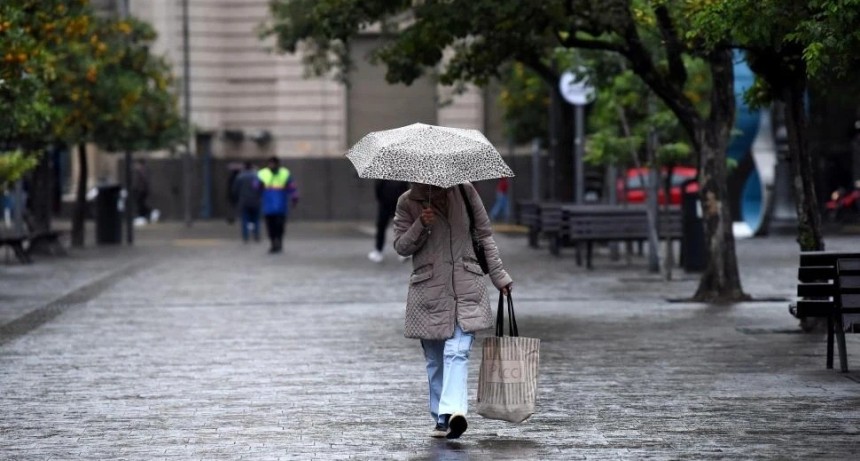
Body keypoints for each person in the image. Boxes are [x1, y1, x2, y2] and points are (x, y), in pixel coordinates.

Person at [393, 182, 513, 440]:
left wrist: (499, 277)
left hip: (465, 287)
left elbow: (484, 235)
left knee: (457, 351)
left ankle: (454, 412)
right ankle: (440, 418)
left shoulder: (465, 192)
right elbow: (401, 247)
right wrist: (421, 225)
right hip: (429, 291)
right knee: (436, 359)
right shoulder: (407, 202)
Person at [257, 157, 298, 253]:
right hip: (268, 206)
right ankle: (273, 243)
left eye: (273, 164)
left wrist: (294, 197)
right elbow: (255, 186)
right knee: (270, 227)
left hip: (281, 206)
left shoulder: (285, 173)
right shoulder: (263, 174)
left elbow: (292, 187)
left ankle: (279, 241)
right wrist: (258, 185)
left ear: (278, 164)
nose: (271, 166)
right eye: (270, 164)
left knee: (279, 226)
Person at [368, 179, 409, 263]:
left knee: (399, 228)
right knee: (382, 227)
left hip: (395, 205)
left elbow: (405, 190)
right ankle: (379, 251)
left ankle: (402, 252)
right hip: (387, 205)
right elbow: (378, 190)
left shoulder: (400, 176)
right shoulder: (383, 176)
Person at [231, 161, 262, 243]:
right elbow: (261, 188)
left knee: (245, 219)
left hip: (244, 201)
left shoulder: (240, 177)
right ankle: (256, 235)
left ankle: (246, 236)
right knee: (256, 219)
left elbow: (235, 190)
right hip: (256, 201)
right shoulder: (257, 176)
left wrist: (236, 199)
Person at [131, 159, 159, 225]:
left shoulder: (142, 170)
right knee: (140, 204)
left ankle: (151, 212)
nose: (136, 166)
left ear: (140, 164)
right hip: (142, 190)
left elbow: (143, 180)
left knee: (140, 203)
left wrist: (139, 188)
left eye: (137, 164)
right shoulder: (142, 170)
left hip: (142, 190)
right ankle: (143, 217)